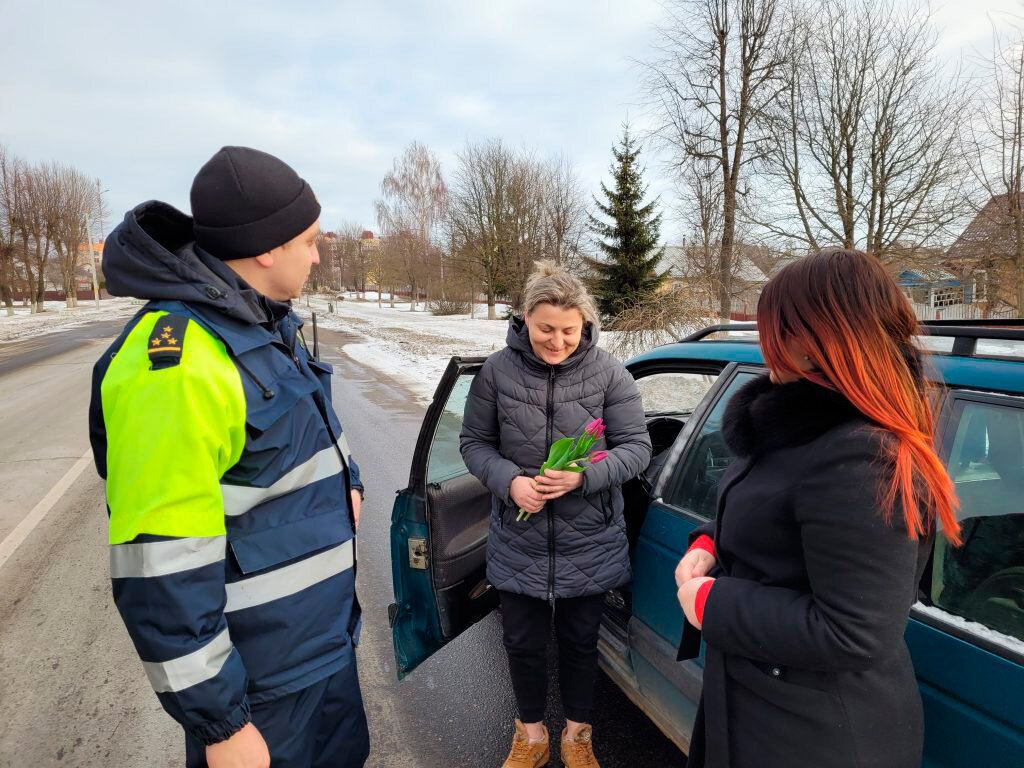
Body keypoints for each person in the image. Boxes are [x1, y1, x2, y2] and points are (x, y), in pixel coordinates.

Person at [88, 146, 370, 768]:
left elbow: (304, 434)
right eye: (310, 241)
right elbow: (160, 565)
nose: (316, 257)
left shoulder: (263, 325)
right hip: (261, 689)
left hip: (320, 652)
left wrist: (345, 481)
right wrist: (221, 724)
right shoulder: (177, 364)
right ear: (267, 248)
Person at [674, 248, 962, 768]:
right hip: (759, 701)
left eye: (776, 329)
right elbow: (772, 511)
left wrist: (710, 602)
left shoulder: (861, 454)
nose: (766, 343)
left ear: (815, 340)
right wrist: (710, 542)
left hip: (811, 734)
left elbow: (853, 632)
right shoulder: (791, 423)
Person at [460, 261, 652, 768]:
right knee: (521, 642)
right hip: (517, 539)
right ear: (525, 317)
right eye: (546, 328)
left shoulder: (609, 373)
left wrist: (582, 476)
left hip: (589, 538)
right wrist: (511, 482)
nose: (558, 341)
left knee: (580, 642)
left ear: (584, 324)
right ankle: (531, 736)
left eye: (569, 330)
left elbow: (637, 448)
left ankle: (577, 736)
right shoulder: (497, 372)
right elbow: (474, 443)